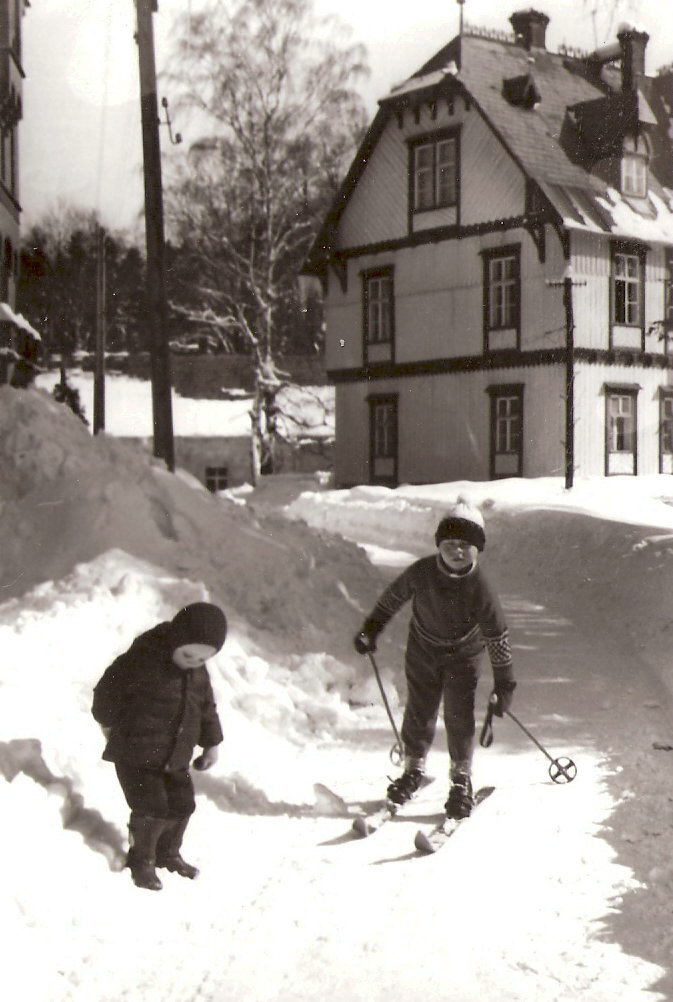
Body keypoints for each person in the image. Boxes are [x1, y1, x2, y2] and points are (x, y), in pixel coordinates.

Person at [353, 502, 515, 819]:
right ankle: (413, 768)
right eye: (449, 544)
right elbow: (392, 599)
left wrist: (504, 685)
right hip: (423, 649)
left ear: (478, 549)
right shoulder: (422, 571)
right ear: (438, 545)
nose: (457, 551)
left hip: (463, 656)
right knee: (420, 708)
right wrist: (371, 629)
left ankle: (461, 779)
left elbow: (497, 637)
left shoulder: (480, 587)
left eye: (465, 545)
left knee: (458, 714)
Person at [92, 601, 227, 891]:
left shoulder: (198, 673)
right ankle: (141, 860)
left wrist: (211, 744)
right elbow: (107, 690)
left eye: (203, 658)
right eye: (188, 654)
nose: (194, 662)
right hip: (136, 753)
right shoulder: (143, 660)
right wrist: (108, 723)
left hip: (174, 755)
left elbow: (205, 707)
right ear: (176, 641)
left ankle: (167, 853)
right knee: (151, 806)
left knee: (182, 804)